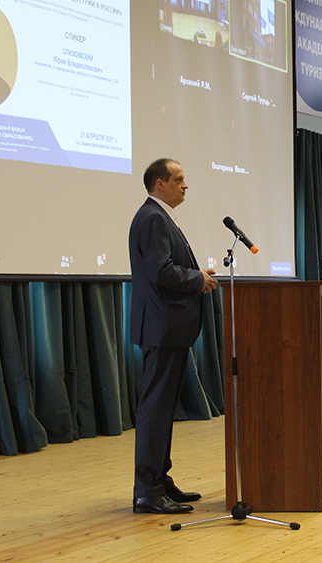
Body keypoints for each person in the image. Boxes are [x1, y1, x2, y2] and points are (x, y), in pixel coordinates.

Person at [129, 158, 219, 515]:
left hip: (167, 327)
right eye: (179, 179)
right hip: (161, 327)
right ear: (160, 184)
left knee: (163, 408)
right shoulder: (153, 217)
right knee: (155, 409)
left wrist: (196, 274)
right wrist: (197, 280)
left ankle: (159, 481)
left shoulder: (159, 217)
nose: (185, 185)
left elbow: (164, 268)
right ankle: (148, 490)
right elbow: (160, 271)